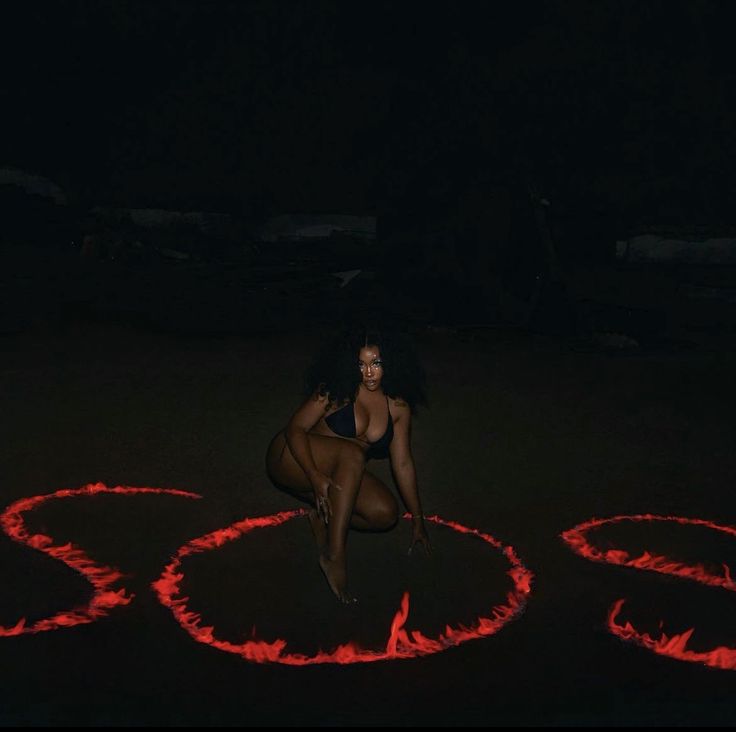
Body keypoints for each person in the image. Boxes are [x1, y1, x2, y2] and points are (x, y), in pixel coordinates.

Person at [265, 323, 430, 604]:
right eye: (361, 364)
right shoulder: (336, 390)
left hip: (339, 474)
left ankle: (321, 517)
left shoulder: (397, 407)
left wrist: (417, 518)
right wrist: (315, 476)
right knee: (352, 454)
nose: (368, 372)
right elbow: (294, 429)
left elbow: (402, 462)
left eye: (376, 363)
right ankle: (334, 555)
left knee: (385, 513)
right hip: (291, 459)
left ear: (389, 362)